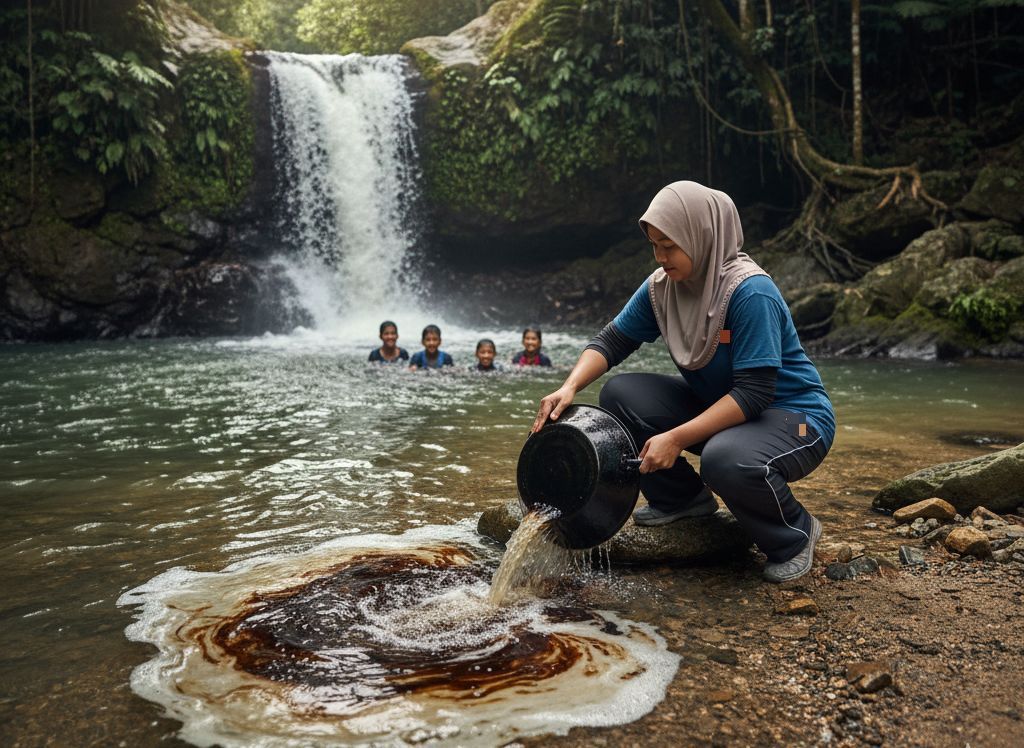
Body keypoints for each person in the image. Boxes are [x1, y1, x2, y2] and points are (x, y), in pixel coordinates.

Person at [531, 181, 835, 583]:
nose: (660, 256)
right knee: (620, 394)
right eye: (654, 245)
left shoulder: (750, 293)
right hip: (729, 410)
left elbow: (755, 392)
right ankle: (683, 500)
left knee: (725, 459)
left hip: (795, 419)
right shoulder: (662, 288)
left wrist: (674, 439)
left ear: (702, 235)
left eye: (669, 245)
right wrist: (569, 387)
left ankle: (794, 534)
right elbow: (613, 339)